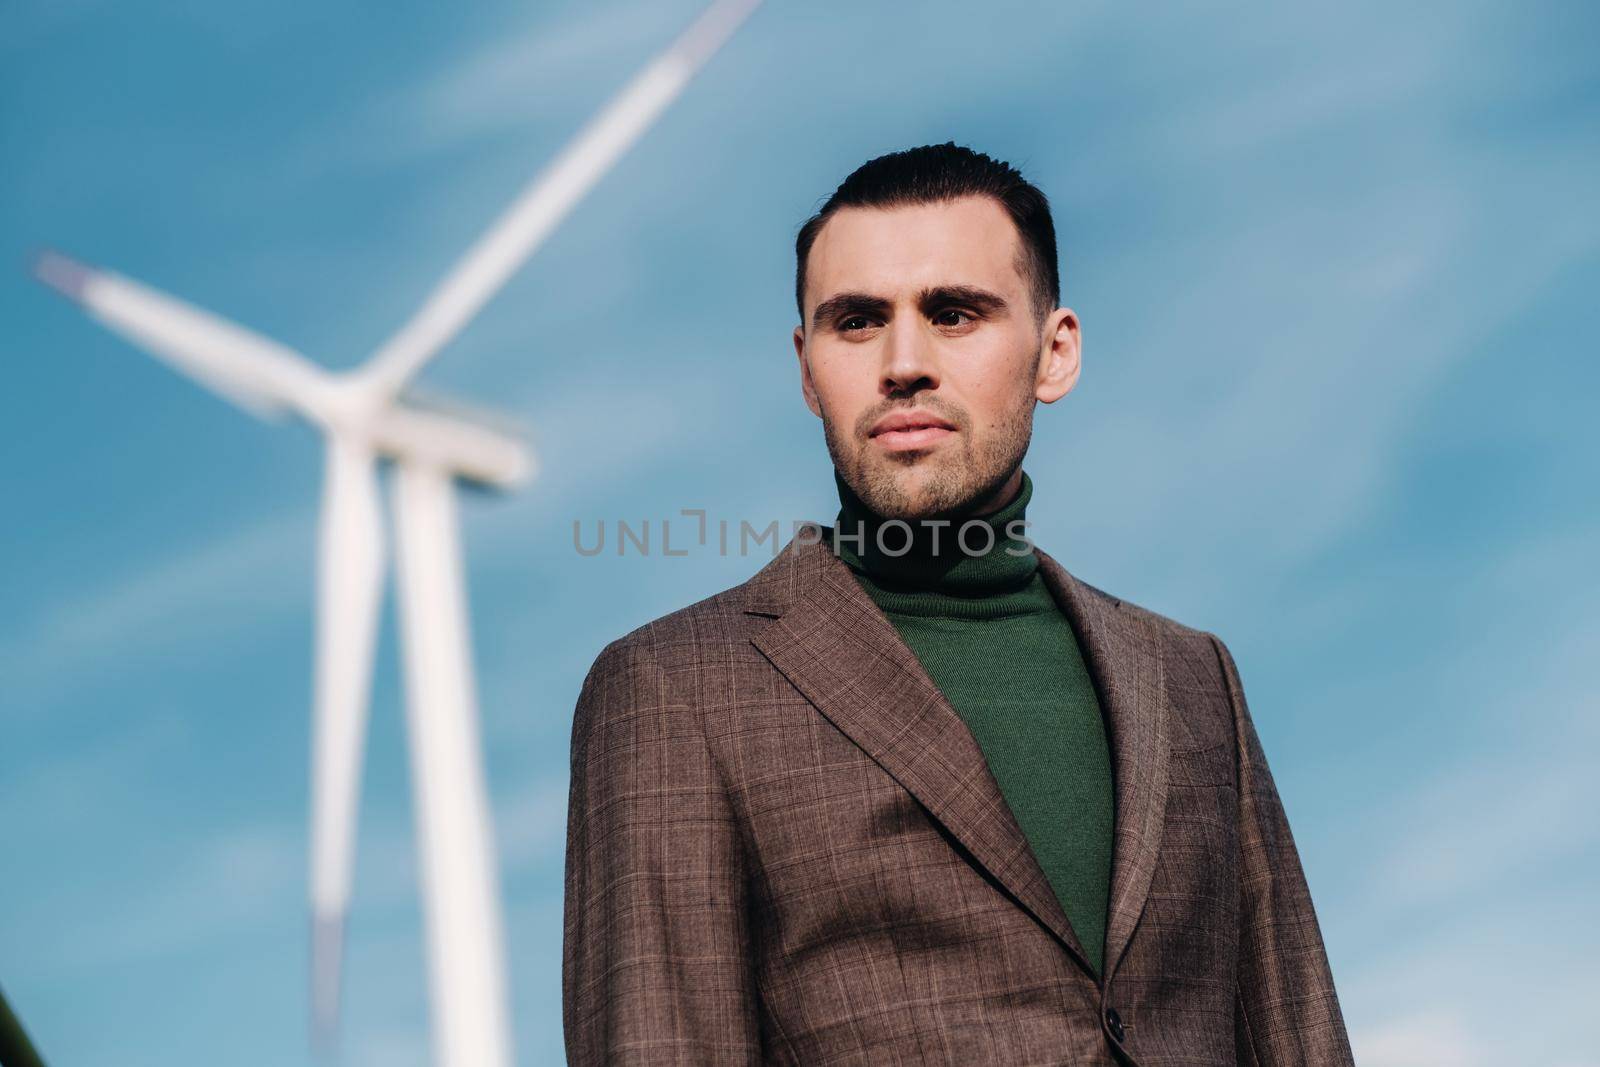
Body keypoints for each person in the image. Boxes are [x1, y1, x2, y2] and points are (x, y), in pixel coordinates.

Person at [562, 142, 1353, 1066]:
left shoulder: (1193, 677)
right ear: (807, 371)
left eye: (953, 313)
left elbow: (1299, 1035)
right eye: (856, 322)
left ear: (1054, 353)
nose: (904, 362)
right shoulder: (674, 687)